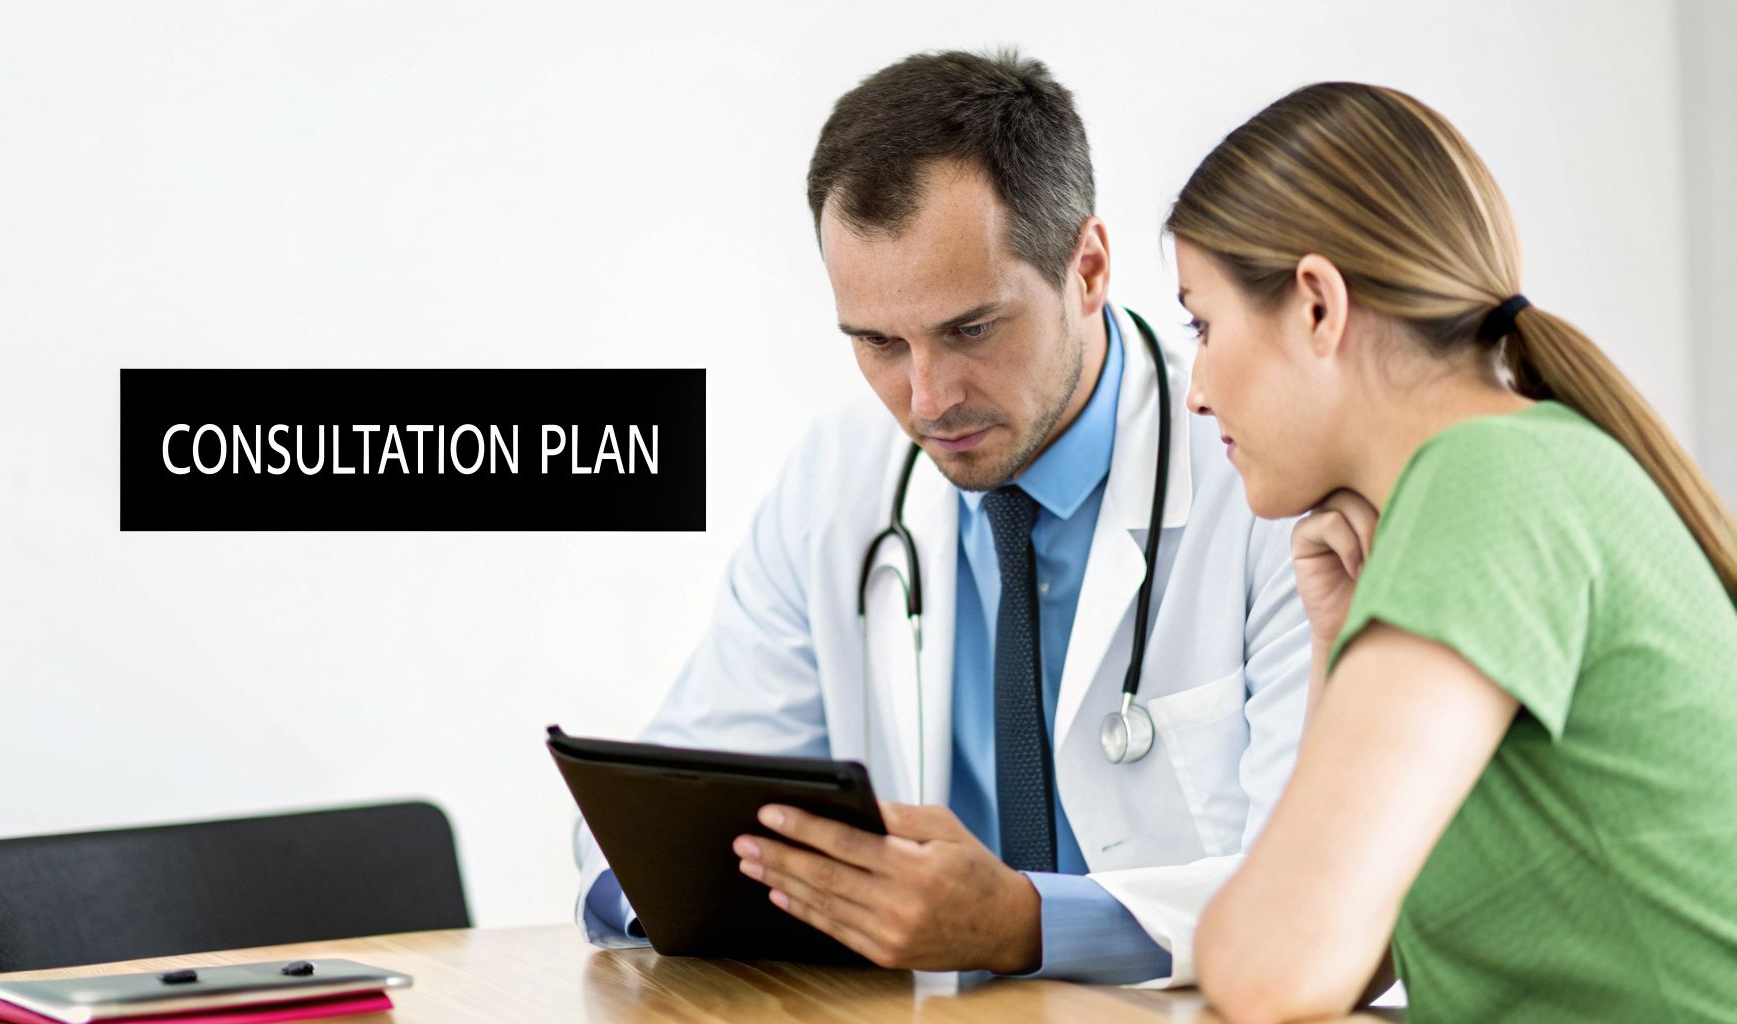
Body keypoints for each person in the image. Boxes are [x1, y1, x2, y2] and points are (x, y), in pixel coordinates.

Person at [574, 49, 1311, 985]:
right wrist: (667, 884)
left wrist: (1026, 925)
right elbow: (654, 815)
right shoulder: (838, 482)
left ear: (1087, 268)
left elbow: (1326, 891)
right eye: (879, 343)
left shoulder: (1268, 477)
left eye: (970, 330)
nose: (927, 400)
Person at [1169, 81, 1737, 1022]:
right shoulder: (1522, 464)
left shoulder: (1490, 481)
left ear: (1317, 305)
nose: (1195, 391)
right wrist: (1338, 645)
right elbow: (1351, 963)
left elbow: (1271, 968)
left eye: (1202, 324)